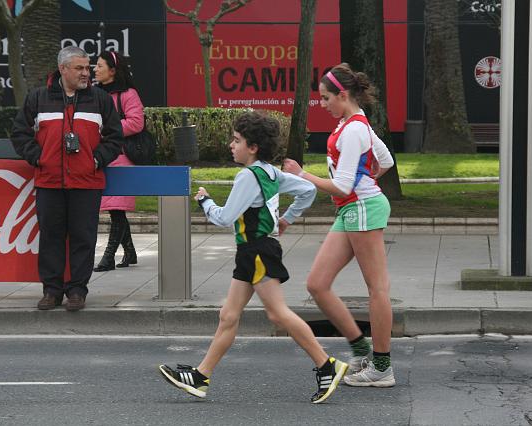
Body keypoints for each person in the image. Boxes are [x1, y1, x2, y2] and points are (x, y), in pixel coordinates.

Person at [158, 111, 348, 403]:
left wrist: (205, 201)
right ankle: (200, 377)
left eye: (237, 140)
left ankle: (327, 365)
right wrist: (286, 220)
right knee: (229, 316)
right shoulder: (271, 173)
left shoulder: (247, 176)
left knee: (277, 313)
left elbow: (225, 218)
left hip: (257, 250)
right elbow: (307, 190)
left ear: (253, 147)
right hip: (254, 251)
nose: (231, 146)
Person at [282, 63, 396, 387]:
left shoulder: (356, 129)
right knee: (317, 284)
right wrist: (366, 183)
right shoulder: (354, 123)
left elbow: (343, 187)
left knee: (377, 289)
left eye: (325, 98)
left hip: (360, 208)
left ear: (342, 95)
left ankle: (382, 367)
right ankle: (362, 349)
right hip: (354, 209)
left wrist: (301, 174)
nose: (323, 103)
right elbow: (385, 161)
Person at [11, 46, 123, 311]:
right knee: (51, 237)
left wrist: (95, 160)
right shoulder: (38, 98)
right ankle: (52, 291)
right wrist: (39, 158)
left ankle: (77, 292)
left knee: (84, 237)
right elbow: (19, 132)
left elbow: (115, 138)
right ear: (63, 69)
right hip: (49, 182)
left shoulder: (100, 99)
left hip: (87, 182)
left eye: (88, 68)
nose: (87, 73)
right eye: (80, 68)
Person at [93, 51, 143, 272]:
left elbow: (136, 123)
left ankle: (108, 257)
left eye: (99, 65)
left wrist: (106, 129)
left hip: (122, 157)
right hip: (104, 156)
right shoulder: (94, 93)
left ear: (112, 70)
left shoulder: (128, 94)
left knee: (116, 208)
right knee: (116, 209)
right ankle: (130, 253)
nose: (95, 69)